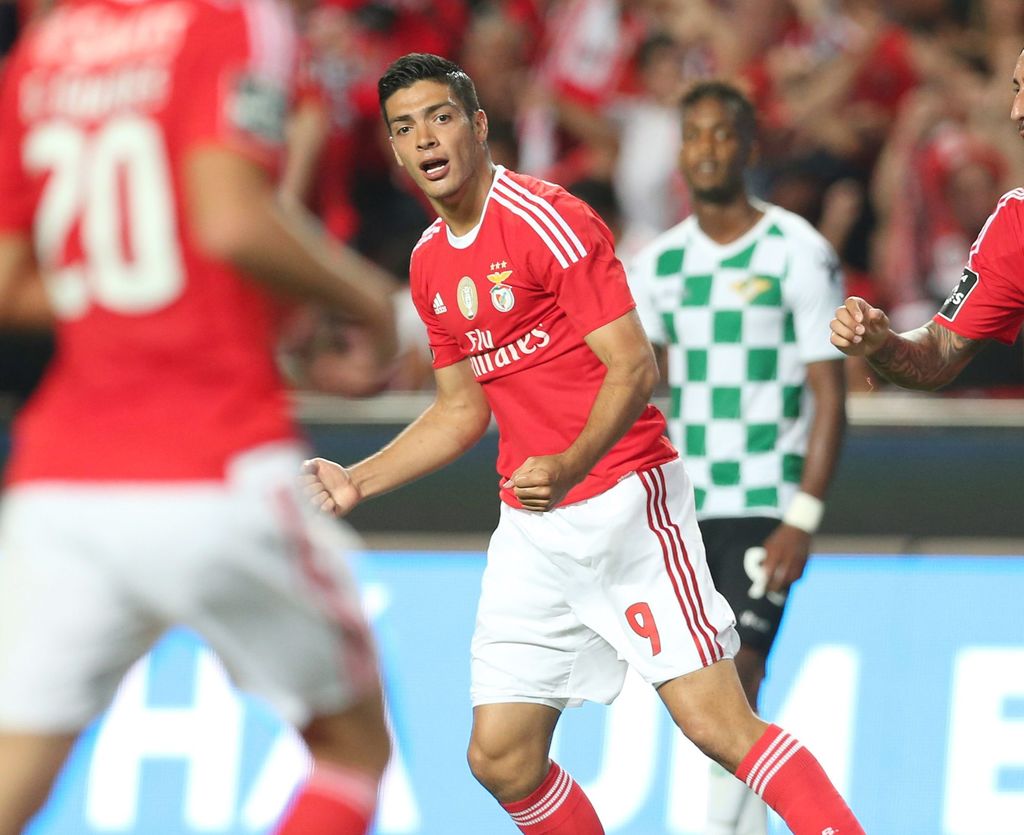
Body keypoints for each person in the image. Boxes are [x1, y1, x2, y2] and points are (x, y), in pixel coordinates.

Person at [303, 52, 865, 835]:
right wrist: (357, 480)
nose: (425, 138)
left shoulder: (549, 219)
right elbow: (460, 410)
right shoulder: (429, 262)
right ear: (394, 151)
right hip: (534, 529)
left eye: (440, 117)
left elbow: (634, 366)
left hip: (627, 501)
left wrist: (570, 463)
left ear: (478, 126)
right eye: (405, 128)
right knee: (502, 758)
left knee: (719, 724)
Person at [0, 0, 401, 831]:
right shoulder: (230, 21)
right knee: (352, 748)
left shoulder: (45, 53)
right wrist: (371, 301)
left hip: (60, 480)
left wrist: (127, 299)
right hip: (211, 460)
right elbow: (231, 221)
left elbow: (9, 282)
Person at [627, 80, 847, 835]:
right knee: (715, 702)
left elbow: (830, 395)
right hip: (687, 511)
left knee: (739, 674)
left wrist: (803, 517)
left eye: (722, 133)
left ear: (749, 147)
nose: (707, 148)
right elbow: (636, 391)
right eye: (694, 135)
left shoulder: (797, 250)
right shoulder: (658, 266)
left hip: (765, 501)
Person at [830, 47, 1024, 388]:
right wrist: (882, 344)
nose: (1016, 111)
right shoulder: (1017, 223)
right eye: (1016, 90)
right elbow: (937, 354)